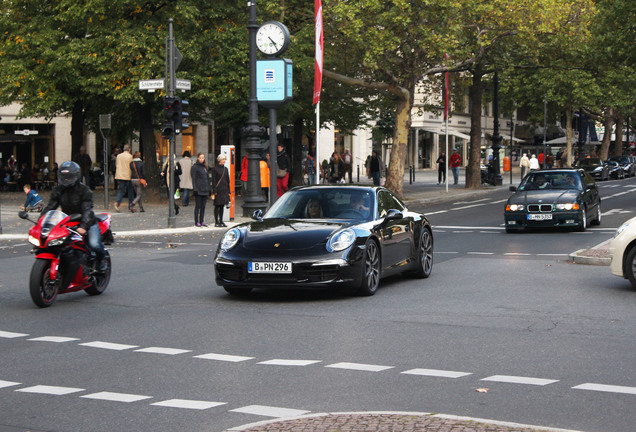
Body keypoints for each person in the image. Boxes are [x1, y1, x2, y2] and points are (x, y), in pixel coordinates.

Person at [40, 161, 107, 271]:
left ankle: (101, 259)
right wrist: (41, 223)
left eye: (69, 177)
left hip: (87, 222)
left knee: (94, 244)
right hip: (67, 221)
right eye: (64, 177)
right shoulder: (58, 190)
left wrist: (84, 227)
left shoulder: (85, 191)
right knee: (55, 244)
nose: (66, 179)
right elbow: (50, 208)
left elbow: (87, 211)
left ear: (76, 176)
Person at [191, 152, 211, 227]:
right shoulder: (195, 167)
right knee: (198, 206)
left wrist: (209, 188)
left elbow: (207, 179)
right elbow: (193, 178)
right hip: (199, 189)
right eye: (200, 158)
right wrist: (195, 188)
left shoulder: (204, 167)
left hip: (205, 189)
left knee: (203, 206)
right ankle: (196, 221)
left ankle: (202, 220)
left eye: (203, 158)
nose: (202, 159)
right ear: (198, 158)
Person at [211, 154, 230, 227]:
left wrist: (228, 190)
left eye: (225, 159)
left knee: (222, 206)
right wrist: (214, 190)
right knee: (217, 205)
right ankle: (216, 221)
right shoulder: (215, 169)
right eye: (223, 159)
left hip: (224, 189)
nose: (224, 161)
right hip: (218, 190)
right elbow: (214, 180)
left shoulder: (226, 169)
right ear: (219, 160)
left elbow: (228, 180)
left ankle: (221, 220)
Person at [114, 144, 134, 212]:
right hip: (128, 176)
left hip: (120, 175)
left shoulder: (118, 156)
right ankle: (131, 206)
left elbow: (116, 164)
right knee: (130, 191)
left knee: (121, 191)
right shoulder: (130, 157)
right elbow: (132, 166)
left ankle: (117, 203)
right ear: (129, 149)